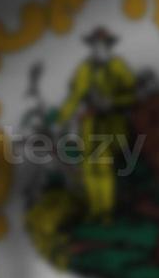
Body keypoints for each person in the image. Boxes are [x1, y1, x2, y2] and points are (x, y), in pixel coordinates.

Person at [56, 27, 135, 222]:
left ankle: (106, 212)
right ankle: (95, 211)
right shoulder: (85, 69)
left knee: (103, 168)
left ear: (109, 46)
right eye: (94, 45)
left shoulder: (118, 67)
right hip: (90, 125)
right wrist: (62, 119)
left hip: (111, 125)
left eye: (102, 45)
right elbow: (74, 96)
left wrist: (112, 103)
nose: (98, 48)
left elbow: (132, 95)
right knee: (89, 168)